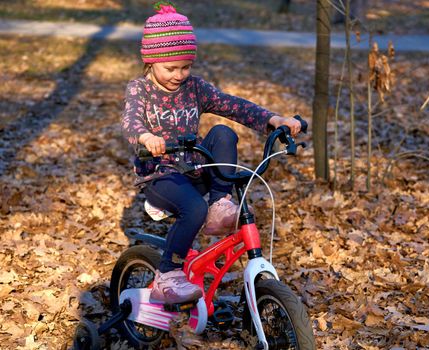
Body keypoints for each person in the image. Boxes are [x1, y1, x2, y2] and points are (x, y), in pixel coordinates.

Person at [121, 1, 301, 305]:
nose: (179, 75)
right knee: (193, 209)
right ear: (150, 61)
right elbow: (130, 121)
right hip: (161, 176)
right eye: (171, 68)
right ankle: (167, 274)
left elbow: (234, 105)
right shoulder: (141, 90)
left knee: (223, 133)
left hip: (194, 172)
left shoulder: (194, 88)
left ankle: (220, 202)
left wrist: (274, 120)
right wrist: (145, 136)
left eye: (186, 66)